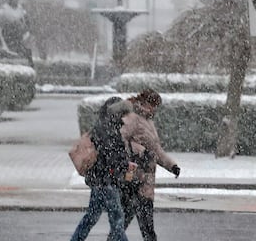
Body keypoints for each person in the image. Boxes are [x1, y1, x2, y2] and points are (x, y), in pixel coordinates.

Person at [116, 89, 180, 241]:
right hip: (133, 179)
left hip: (146, 181)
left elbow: (156, 149)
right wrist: (140, 151)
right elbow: (119, 140)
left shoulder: (148, 121)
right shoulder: (133, 118)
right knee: (136, 225)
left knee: (142, 226)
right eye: (153, 105)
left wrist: (171, 165)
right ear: (145, 103)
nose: (155, 109)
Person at [70, 97, 135, 241]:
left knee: (91, 217)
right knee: (117, 218)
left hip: (99, 181)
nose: (125, 116)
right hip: (106, 181)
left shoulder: (103, 126)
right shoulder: (108, 129)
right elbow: (110, 156)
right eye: (123, 113)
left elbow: (108, 154)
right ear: (116, 112)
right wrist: (125, 165)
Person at [0, 0, 33, 66]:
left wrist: (26, 35)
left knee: (26, 53)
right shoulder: (2, 11)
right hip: (7, 37)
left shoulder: (22, 11)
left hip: (19, 38)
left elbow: (27, 26)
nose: (15, 0)